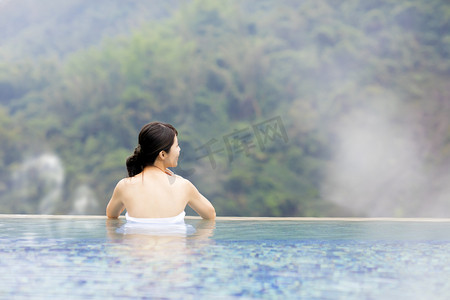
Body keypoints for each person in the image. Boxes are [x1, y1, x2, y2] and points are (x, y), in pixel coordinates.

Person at [106, 122, 216, 220]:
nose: (179, 150)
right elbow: (210, 214)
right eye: (177, 146)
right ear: (162, 154)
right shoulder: (183, 185)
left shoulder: (124, 185)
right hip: (173, 243)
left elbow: (111, 215)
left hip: (137, 243)